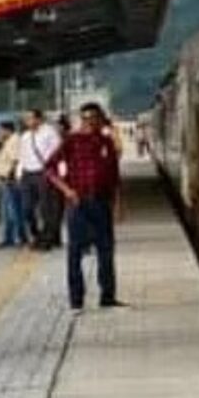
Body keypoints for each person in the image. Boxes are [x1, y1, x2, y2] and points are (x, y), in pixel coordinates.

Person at [45, 103, 125, 312]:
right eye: (85, 118)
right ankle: (76, 300)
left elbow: (115, 177)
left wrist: (118, 204)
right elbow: (50, 168)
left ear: (101, 119)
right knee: (75, 252)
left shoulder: (106, 142)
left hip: (101, 202)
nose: (89, 122)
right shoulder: (71, 141)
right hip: (78, 203)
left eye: (93, 118)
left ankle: (108, 296)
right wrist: (66, 190)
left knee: (106, 250)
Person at [16, 109, 63, 252]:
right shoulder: (25, 136)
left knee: (46, 208)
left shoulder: (50, 133)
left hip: (43, 173)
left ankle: (47, 239)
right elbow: (22, 156)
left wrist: (55, 171)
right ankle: (37, 234)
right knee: (27, 208)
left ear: (39, 119)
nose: (27, 121)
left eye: (30, 118)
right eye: (26, 118)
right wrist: (19, 173)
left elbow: (58, 152)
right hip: (27, 174)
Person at [0, 117, 28, 249]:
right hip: (5, 179)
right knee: (7, 212)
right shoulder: (7, 141)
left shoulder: (14, 140)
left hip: (11, 180)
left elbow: (15, 160)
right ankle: (9, 238)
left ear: (7, 130)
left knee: (14, 210)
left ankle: (21, 237)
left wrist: (9, 175)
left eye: (0, 130)